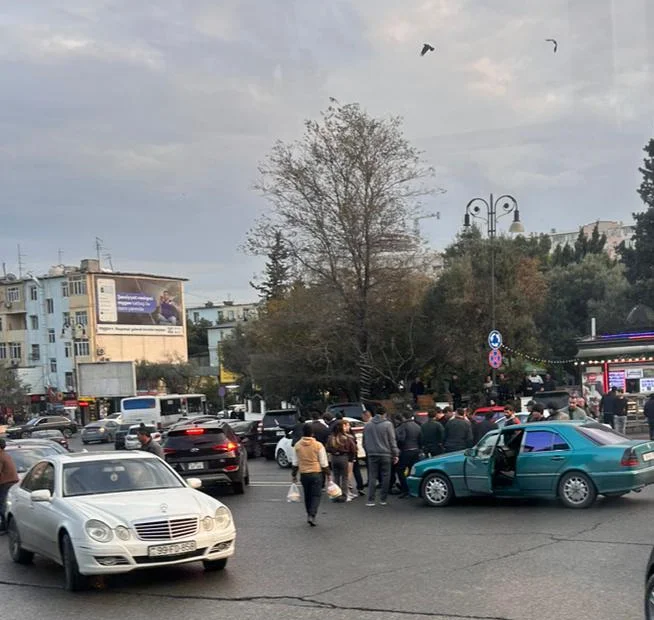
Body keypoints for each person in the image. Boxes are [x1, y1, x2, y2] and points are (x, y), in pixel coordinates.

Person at [291, 423, 331, 526]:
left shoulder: (297, 445)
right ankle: (312, 515)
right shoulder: (318, 445)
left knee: (307, 495)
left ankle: (308, 512)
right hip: (316, 472)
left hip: (304, 473)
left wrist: (294, 475)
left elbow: (295, 462)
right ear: (312, 434)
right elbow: (323, 462)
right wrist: (328, 474)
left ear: (303, 433)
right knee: (316, 495)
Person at [362, 406, 399, 507]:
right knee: (385, 476)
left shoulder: (368, 425)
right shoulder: (388, 424)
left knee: (372, 476)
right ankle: (383, 499)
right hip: (385, 453)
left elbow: (364, 442)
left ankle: (371, 500)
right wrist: (395, 454)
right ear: (385, 414)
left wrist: (368, 451)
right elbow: (392, 440)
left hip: (372, 454)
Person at [326, 420, 357, 503]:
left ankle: (336, 495)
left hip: (334, 458)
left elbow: (327, 448)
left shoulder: (331, 438)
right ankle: (344, 495)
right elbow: (353, 449)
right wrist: (351, 458)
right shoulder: (347, 438)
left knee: (336, 476)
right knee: (345, 477)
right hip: (343, 457)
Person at [395, 412, 422, 498]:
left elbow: (401, 439)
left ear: (403, 417)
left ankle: (405, 489)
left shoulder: (403, 426)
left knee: (400, 469)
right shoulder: (418, 426)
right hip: (416, 450)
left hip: (406, 450)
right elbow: (421, 439)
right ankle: (413, 489)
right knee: (412, 470)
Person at [0, 439, 19, 534]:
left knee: (2, 505)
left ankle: (5, 527)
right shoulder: (5, 455)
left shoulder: (0, 456)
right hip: (11, 482)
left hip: (5, 483)